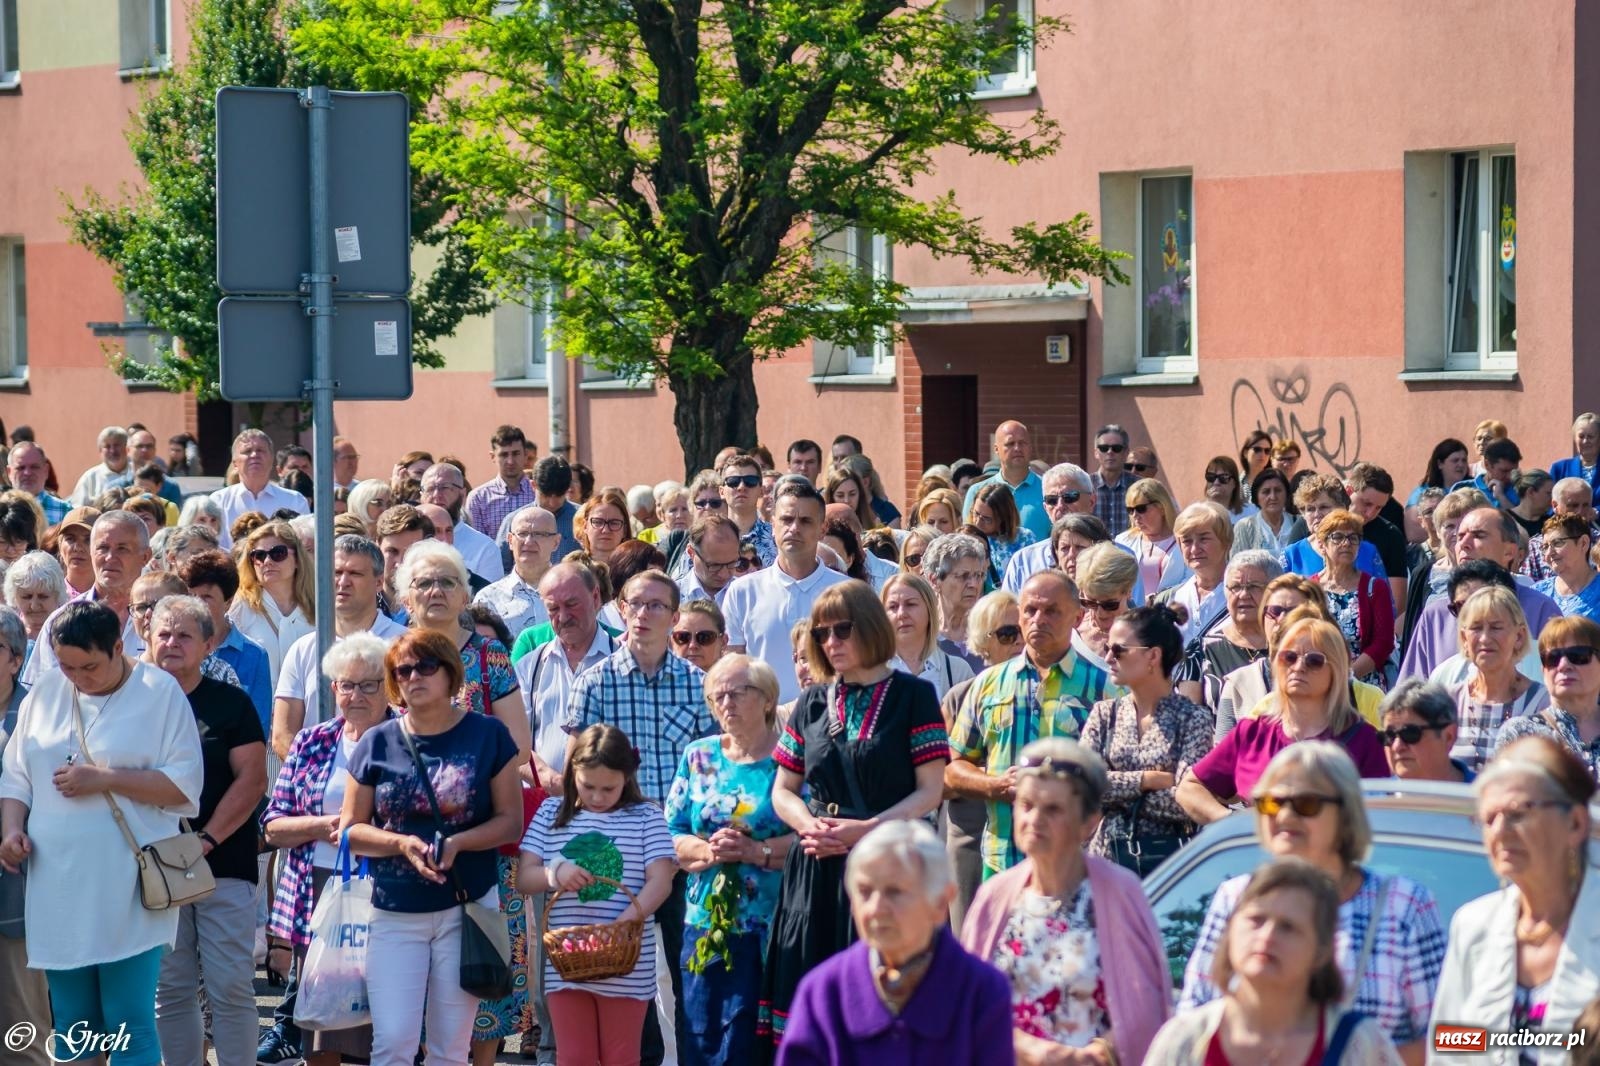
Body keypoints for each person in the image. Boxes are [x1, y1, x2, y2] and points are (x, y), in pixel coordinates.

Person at [0, 601, 203, 1066]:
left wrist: (106, 778)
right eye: (67, 666)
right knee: (73, 1021)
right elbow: (16, 777)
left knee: (129, 1020)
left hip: (128, 888)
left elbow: (184, 786)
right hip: (56, 887)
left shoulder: (160, 693)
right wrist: (10, 829)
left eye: (88, 667)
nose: (77, 678)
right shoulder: (45, 691)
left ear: (117, 648)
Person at [759, 583, 949, 1054]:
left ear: (869, 627)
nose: (831, 642)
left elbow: (931, 790)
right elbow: (783, 791)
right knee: (811, 1004)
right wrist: (810, 827)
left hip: (887, 864)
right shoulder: (811, 702)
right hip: (815, 866)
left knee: (884, 996)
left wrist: (866, 831)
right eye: (821, 634)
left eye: (842, 629)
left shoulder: (914, 695)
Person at [1180, 743, 1444, 1062]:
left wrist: (1366, 1055)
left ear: (1346, 815)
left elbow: (1462, 1039)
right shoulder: (1236, 898)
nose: (1285, 815)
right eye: (1272, 803)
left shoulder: (1403, 905)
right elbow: (1191, 1020)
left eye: (1306, 803)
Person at [563, 567, 715, 1065]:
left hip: (682, 851)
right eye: (635, 604)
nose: (644, 614)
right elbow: (576, 776)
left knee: (691, 971)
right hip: (618, 854)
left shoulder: (698, 685)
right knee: (627, 974)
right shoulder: (595, 682)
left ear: (674, 616)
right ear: (621, 609)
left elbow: (713, 771)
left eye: (656, 605)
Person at [960, 738, 1171, 1065]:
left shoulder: (1120, 894)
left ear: (1088, 823)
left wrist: (1095, 1055)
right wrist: (1034, 1051)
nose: (1034, 819)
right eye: (1026, 805)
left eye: (1053, 809)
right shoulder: (995, 896)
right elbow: (966, 1005)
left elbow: (1146, 1008)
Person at [777, 820, 1014, 1066]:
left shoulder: (981, 991)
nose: (876, 909)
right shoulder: (823, 993)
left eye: (895, 892)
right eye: (865, 892)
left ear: (940, 903)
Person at [259, 632, 392, 1066]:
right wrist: (324, 826)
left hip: (391, 893)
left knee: (393, 1026)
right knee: (322, 1030)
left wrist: (366, 832)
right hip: (317, 894)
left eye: (369, 684)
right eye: (347, 684)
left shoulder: (408, 739)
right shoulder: (311, 741)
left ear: (389, 686)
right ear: (333, 688)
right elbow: (273, 825)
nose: (356, 695)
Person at [148, 596, 268, 1066]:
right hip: (153, 867)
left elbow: (253, 780)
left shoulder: (230, 704)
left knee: (230, 987)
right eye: (163, 633)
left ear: (208, 645)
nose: (172, 643)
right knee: (169, 989)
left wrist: (207, 840)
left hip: (223, 863)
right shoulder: (133, 704)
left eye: (184, 635)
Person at [1430, 736, 1600, 1064]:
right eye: (1489, 818)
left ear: (1576, 823)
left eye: (1519, 812)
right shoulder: (1474, 927)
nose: (1500, 830)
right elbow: (1450, 1049)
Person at [665, 655, 795, 1066]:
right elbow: (671, 833)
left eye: (738, 692)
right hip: (705, 922)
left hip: (770, 925)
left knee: (755, 1044)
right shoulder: (699, 756)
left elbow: (810, 833)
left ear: (768, 698)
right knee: (702, 1035)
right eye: (717, 696)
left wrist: (757, 852)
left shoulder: (791, 760)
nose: (726, 703)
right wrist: (708, 851)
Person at [1147, 858, 1403, 1065]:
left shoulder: (1361, 1044)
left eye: (1288, 927)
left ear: (1321, 952)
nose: (1267, 936)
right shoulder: (1184, 1040)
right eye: (1256, 920)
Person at [947, 570, 1115, 879]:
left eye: (1052, 611)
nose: (1039, 619)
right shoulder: (988, 683)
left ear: (1077, 618)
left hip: (1077, 865)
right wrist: (994, 785)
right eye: (1030, 610)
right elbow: (954, 767)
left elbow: (1120, 775)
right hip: (1001, 861)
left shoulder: (1104, 688)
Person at [1180, 616, 1389, 822]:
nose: (1298, 667)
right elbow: (1190, 788)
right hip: (1261, 844)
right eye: (1289, 657)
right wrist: (1234, 822)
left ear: (1337, 670)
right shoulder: (1253, 733)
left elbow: (1382, 816)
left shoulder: (1365, 740)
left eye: (1314, 660)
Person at [1081, 605, 1212, 875]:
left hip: (1169, 870)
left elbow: (1186, 802)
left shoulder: (1193, 719)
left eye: (1118, 650)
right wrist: (1147, 780)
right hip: (1106, 866)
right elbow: (1083, 785)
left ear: (1153, 655)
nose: (1108, 657)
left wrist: (1115, 795)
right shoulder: (1105, 714)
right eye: (1107, 648)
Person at [271, 535, 408, 756]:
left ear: (378, 582)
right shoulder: (302, 649)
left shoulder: (404, 645)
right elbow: (283, 735)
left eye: (355, 573)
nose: (343, 582)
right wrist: (321, 770)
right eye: (336, 573)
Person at [723, 479, 851, 703]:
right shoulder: (742, 592)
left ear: (822, 529)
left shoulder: (846, 592)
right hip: (764, 718)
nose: (794, 528)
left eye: (805, 521)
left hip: (829, 716)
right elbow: (733, 668)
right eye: (787, 519)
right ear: (773, 525)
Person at [1401, 507, 1563, 681]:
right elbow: (1412, 687)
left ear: (1510, 551)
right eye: (1460, 537)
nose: (1463, 544)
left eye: (1478, 535)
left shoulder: (1540, 609)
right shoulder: (1436, 614)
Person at [26, 509, 150, 684]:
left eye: (122, 549)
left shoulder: (160, 619)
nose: (110, 557)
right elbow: (38, 688)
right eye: (102, 548)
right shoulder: (61, 621)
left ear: (145, 556)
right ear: (91, 552)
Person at [1446, 585, 1549, 773]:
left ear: (1519, 636)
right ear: (1464, 638)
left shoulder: (1541, 705)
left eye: (1496, 627)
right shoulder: (1449, 701)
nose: (1485, 638)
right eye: (1476, 628)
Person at [1491, 616, 1600, 775]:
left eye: (1578, 655)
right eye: (1553, 658)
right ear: (1543, 671)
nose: (1563, 665)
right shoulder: (1520, 734)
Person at [1310, 507, 1395, 687]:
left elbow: (1384, 642)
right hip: (1320, 680)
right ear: (1322, 544)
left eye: (1353, 538)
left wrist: (1347, 677)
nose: (1346, 543)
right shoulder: (1309, 589)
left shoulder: (1375, 587)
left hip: (1365, 684)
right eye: (1338, 537)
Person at [230, 519, 317, 686]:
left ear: (297, 559)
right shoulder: (240, 607)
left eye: (278, 553)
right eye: (259, 555)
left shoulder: (318, 606)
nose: (267, 561)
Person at [998, 466, 1098, 591]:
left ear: (1092, 501)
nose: (1060, 506)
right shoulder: (1023, 562)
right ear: (1045, 507)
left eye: (1069, 497)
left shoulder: (1117, 558)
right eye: (1052, 500)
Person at [882, 571, 974, 699]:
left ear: (929, 610)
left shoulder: (957, 671)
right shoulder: (869, 672)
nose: (901, 614)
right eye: (893, 607)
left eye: (910, 604)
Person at [211, 429, 309, 548]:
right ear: (235, 463)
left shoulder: (295, 501)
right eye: (247, 451)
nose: (255, 455)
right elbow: (212, 546)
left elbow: (305, 547)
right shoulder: (218, 501)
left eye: (260, 450)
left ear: (272, 459)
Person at [1281, 474, 1389, 581]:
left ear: (1342, 508)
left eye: (1324, 507)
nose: (1317, 514)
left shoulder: (1368, 552)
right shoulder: (1291, 555)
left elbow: (1382, 591)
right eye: (1310, 509)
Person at [475, 504, 559, 636]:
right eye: (522, 534)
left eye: (539, 534)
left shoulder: (573, 592)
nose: (529, 541)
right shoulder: (488, 599)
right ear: (510, 540)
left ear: (556, 542)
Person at [1157, 501, 1235, 643]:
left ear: (1226, 541)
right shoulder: (1170, 598)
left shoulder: (1245, 596)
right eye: (1187, 541)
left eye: (1203, 539)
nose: (1194, 549)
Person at [964, 421, 1051, 542]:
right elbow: (968, 539)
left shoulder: (1048, 490)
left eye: (1022, 443)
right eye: (1010, 443)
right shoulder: (977, 491)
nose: (1017, 448)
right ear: (996, 449)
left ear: (1030, 447)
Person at [421, 462, 506, 586]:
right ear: (421, 495)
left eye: (445, 487)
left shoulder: (484, 548)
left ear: (463, 494)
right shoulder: (407, 541)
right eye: (430, 488)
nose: (437, 495)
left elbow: (488, 595)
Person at [1378, 679, 1474, 782]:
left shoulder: (1482, 791)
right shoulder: (1373, 792)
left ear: (1448, 736)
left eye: (1410, 733)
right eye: (1389, 736)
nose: (1397, 746)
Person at [920, 531, 989, 670]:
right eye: (963, 576)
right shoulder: (921, 635)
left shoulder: (992, 632)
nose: (974, 584)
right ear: (934, 580)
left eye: (978, 575)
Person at [1067, 542, 1138, 668]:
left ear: (1128, 592)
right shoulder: (1070, 631)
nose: (1100, 613)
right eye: (1090, 603)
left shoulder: (1145, 635)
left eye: (1109, 605)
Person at [1115, 476, 1188, 596]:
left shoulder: (1186, 542)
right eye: (1130, 510)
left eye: (1141, 508)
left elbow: (1190, 582)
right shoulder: (1123, 541)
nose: (1135, 515)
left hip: (1173, 607)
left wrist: (1156, 599)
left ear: (1162, 507)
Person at [1524, 476, 1600, 583]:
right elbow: (1529, 590)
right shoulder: (1535, 547)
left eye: (1586, 505)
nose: (1580, 511)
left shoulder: (1598, 542)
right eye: (1573, 505)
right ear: (1555, 505)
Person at [464, 424, 537, 535]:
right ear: (493, 457)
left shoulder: (537, 492)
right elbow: (476, 542)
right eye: (504, 455)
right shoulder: (479, 498)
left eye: (516, 454)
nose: (510, 461)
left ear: (525, 455)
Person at [4, 550, 65, 674]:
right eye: (26, 597)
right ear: (14, 597)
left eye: (43, 596)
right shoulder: (5, 637)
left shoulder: (69, 636)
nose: (34, 606)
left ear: (58, 596)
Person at [968, 481, 1036, 589]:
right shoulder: (967, 538)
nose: (978, 522)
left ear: (1003, 517)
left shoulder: (1024, 539)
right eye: (976, 513)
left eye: (987, 519)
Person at [1536, 513, 1600, 620]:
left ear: (1583, 543)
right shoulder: (1538, 593)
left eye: (1557, 543)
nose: (1549, 553)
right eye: (1545, 547)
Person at [678, 514, 751, 606]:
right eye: (714, 565)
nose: (723, 574)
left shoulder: (749, 595)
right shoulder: (671, 597)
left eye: (732, 563)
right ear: (691, 552)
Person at [1089, 423, 1136, 537]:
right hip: (1094, 548)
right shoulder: (1085, 486)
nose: (1110, 452)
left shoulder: (1138, 486)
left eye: (1116, 448)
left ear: (1126, 453)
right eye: (1104, 448)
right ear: (1096, 453)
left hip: (1130, 548)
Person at [6, 441, 69, 526]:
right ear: (9, 472)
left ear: (46, 470)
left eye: (34, 467)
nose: (27, 473)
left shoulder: (65, 512)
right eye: (21, 468)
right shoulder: (2, 509)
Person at [68, 425, 132, 506]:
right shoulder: (90, 478)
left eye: (116, 445)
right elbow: (78, 508)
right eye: (107, 447)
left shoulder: (136, 472)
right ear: (100, 451)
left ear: (126, 448)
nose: (112, 451)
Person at [1550, 412, 1600, 503]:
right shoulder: (1559, 468)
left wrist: (1596, 510)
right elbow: (1548, 503)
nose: (1585, 441)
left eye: (1590, 437)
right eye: (1581, 436)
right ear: (1575, 439)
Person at [575, 487, 631, 566]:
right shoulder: (570, 570)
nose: (606, 530)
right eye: (598, 522)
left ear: (625, 530)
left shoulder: (639, 570)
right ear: (585, 526)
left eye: (614, 523)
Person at [672, 597, 729, 674]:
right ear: (671, 642)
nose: (693, 645)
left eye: (704, 637)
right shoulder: (658, 680)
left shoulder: (740, 680)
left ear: (723, 642)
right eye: (683, 637)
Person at [821, 466, 876, 532]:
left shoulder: (874, 526)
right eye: (840, 496)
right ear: (831, 497)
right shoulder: (821, 529)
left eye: (852, 494)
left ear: (860, 495)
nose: (846, 500)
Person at [1203, 455, 1256, 522]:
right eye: (1211, 477)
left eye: (1223, 477)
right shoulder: (1199, 515)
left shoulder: (1252, 512)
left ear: (1235, 483)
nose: (1216, 482)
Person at [1510, 468, 1555, 539]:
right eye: (1549, 493)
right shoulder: (1505, 520)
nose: (1553, 498)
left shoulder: (1551, 523)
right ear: (1531, 492)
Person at [1239, 429, 1274, 505]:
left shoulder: (1275, 483)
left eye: (1267, 451)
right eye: (1257, 449)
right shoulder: (1235, 484)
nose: (1262, 454)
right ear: (1245, 453)